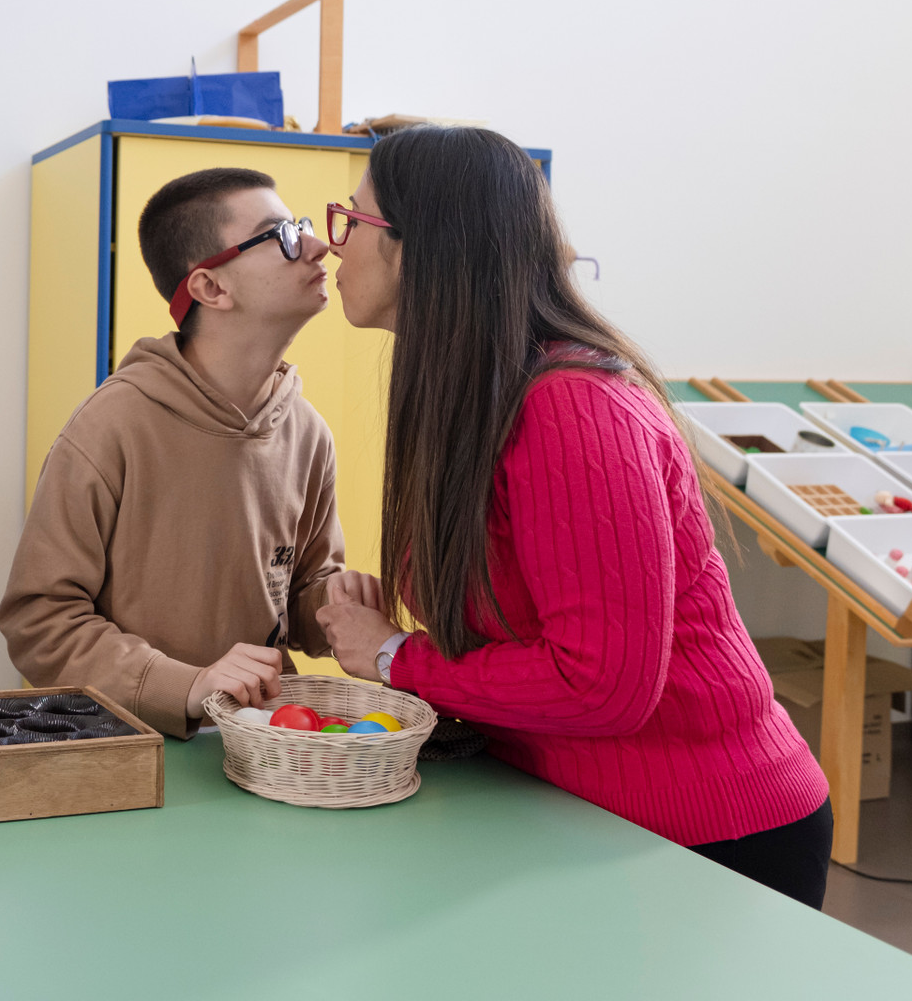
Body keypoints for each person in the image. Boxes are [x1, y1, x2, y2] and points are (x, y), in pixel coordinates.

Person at [315, 125, 832, 908]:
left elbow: (602, 684)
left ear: (422, 247)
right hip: (572, 816)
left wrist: (394, 658)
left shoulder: (574, 406)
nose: (334, 246)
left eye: (353, 222)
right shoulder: (467, 399)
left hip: (706, 836)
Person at [0, 167, 346, 737]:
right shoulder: (109, 427)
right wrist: (185, 687)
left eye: (301, 227)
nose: (316, 245)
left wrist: (336, 602)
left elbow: (297, 594)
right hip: (131, 751)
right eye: (281, 235)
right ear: (211, 288)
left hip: (266, 745)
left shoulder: (308, 432)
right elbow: (39, 622)